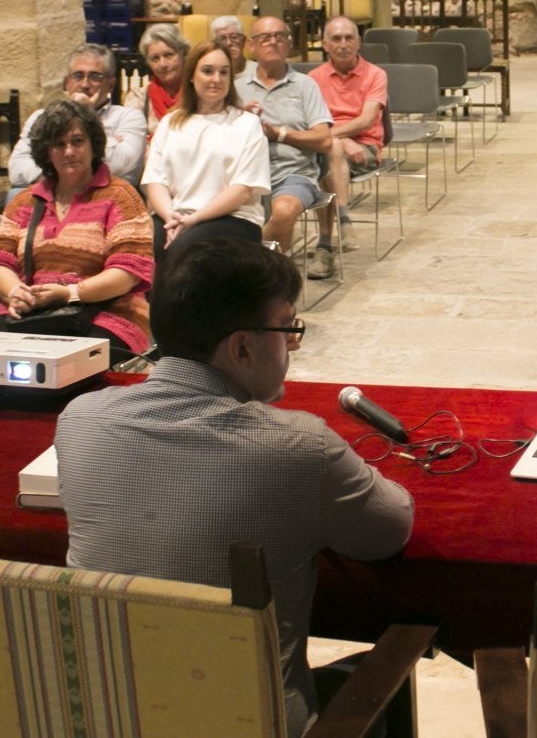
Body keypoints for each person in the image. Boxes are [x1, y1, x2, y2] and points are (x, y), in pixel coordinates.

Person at [56, 239, 413, 735]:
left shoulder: (80, 420)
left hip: (111, 716)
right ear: (243, 346)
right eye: (289, 330)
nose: (291, 345)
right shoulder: (297, 448)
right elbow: (389, 530)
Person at [0, 100, 154, 361]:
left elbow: (128, 273)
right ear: (46, 151)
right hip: (32, 313)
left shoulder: (121, 197)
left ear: (93, 144)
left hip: (107, 313)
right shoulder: (25, 201)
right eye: (58, 144)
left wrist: (70, 294)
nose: (69, 152)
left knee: (76, 363)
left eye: (77, 141)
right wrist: (15, 291)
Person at [141, 40, 271, 259]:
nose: (216, 79)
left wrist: (194, 219)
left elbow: (243, 189)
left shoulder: (246, 123)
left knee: (184, 250)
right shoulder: (170, 122)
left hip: (233, 218)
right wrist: (171, 218)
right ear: (191, 76)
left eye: (224, 72)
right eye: (208, 71)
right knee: (142, 245)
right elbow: (155, 181)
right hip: (174, 215)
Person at [236, 18, 335, 268]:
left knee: (284, 210)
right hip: (243, 174)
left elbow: (324, 139)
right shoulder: (236, 88)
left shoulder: (305, 85)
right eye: (265, 37)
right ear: (252, 45)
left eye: (280, 36)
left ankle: (254, 264)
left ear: (289, 43)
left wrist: (279, 134)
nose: (273, 42)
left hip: (293, 173)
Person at [7, 44, 147, 192]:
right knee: (16, 195)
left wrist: (86, 113)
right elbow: (17, 168)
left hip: (105, 196)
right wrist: (60, 181)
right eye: (78, 76)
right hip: (52, 194)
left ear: (111, 84)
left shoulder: (129, 117)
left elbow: (122, 163)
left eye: (95, 77)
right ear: (67, 83)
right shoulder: (41, 117)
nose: (85, 84)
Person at [307, 16, 386, 277]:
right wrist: (340, 140)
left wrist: (336, 139)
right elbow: (308, 123)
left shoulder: (375, 74)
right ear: (325, 45)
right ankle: (344, 221)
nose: (343, 44)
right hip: (331, 147)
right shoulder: (313, 78)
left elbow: (365, 120)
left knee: (328, 158)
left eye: (349, 38)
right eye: (336, 39)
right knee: (331, 154)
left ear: (359, 42)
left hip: (365, 148)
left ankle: (324, 247)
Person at [129, 22, 189, 135]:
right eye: (155, 58)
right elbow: (131, 137)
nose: (163, 64)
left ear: (183, 53)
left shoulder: (198, 93)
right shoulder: (139, 97)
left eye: (168, 55)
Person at [212, 14, 256, 80]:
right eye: (222, 38)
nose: (228, 43)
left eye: (234, 37)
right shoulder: (212, 73)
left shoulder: (259, 71)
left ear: (243, 41)